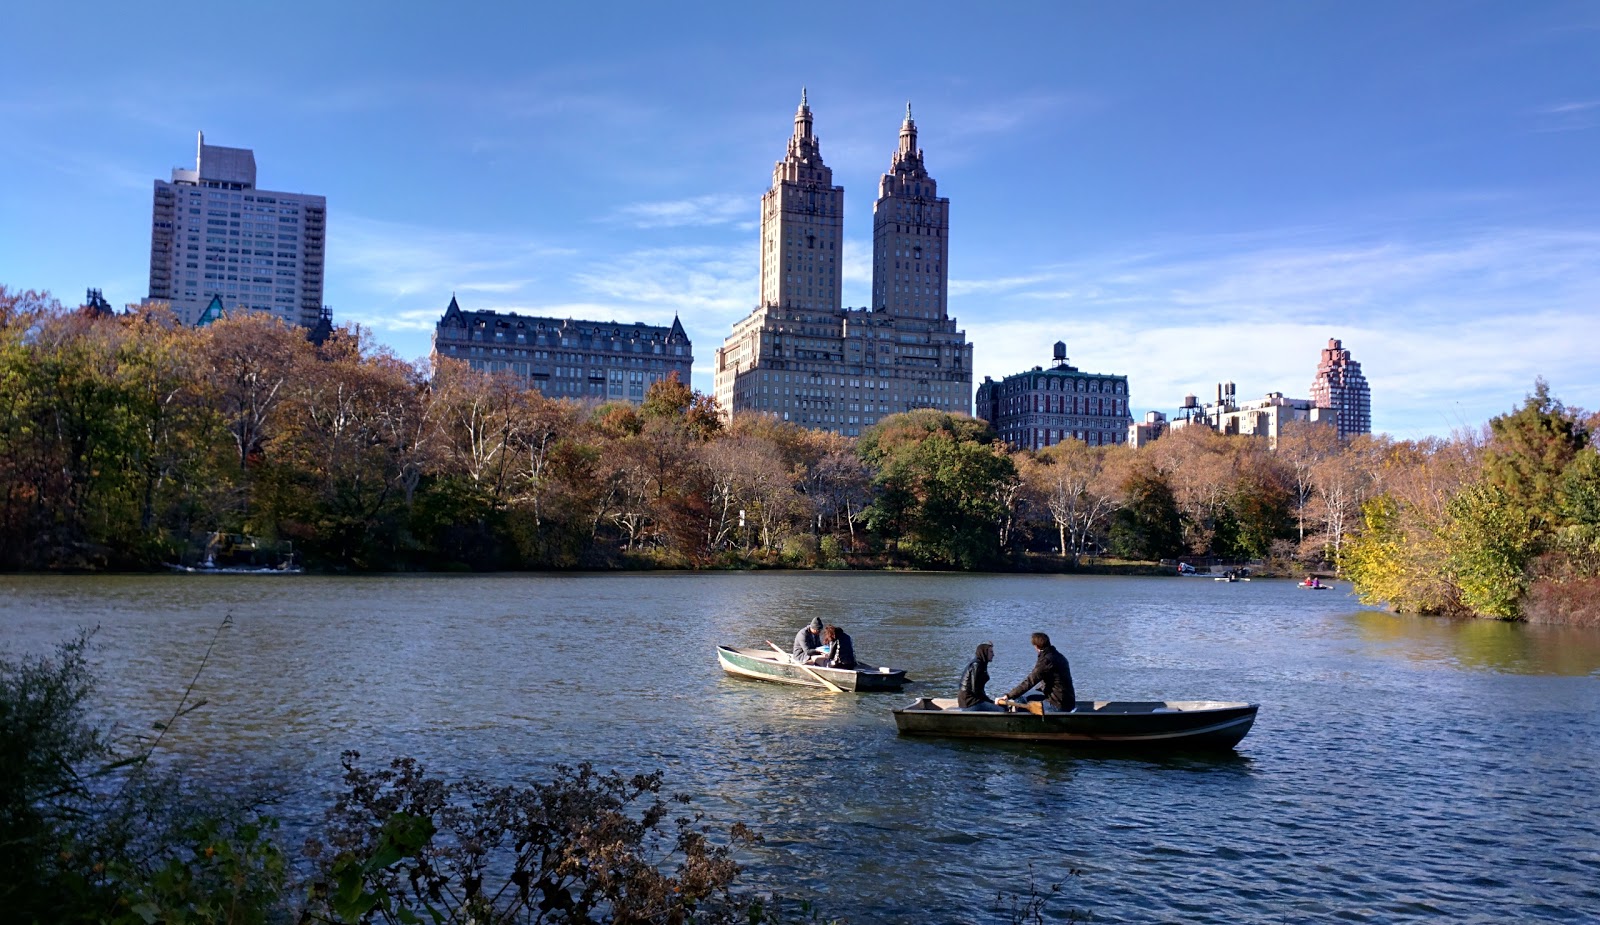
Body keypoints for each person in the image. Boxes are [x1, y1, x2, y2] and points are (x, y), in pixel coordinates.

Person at [996, 632, 1076, 713]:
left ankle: (1022, 723)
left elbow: (1030, 681)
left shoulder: (1046, 660)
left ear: (1036, 646)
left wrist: (1008, 696)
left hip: (1057, 705)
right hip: (1068, 702)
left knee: (1019, 699)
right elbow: (1053, 680)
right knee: (1023, 697)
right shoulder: (1058, 656)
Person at [958, 642, 1001, 710]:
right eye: (991, 652)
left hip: (972, 700)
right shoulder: (976, 665)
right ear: (984, 652)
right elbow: (974, 690)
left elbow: (978, 690)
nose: (993, 654)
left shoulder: (981, 664)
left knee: (1001, 707)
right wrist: (990, 701)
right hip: (970, 702)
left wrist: (989, 701)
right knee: (1001, 710)